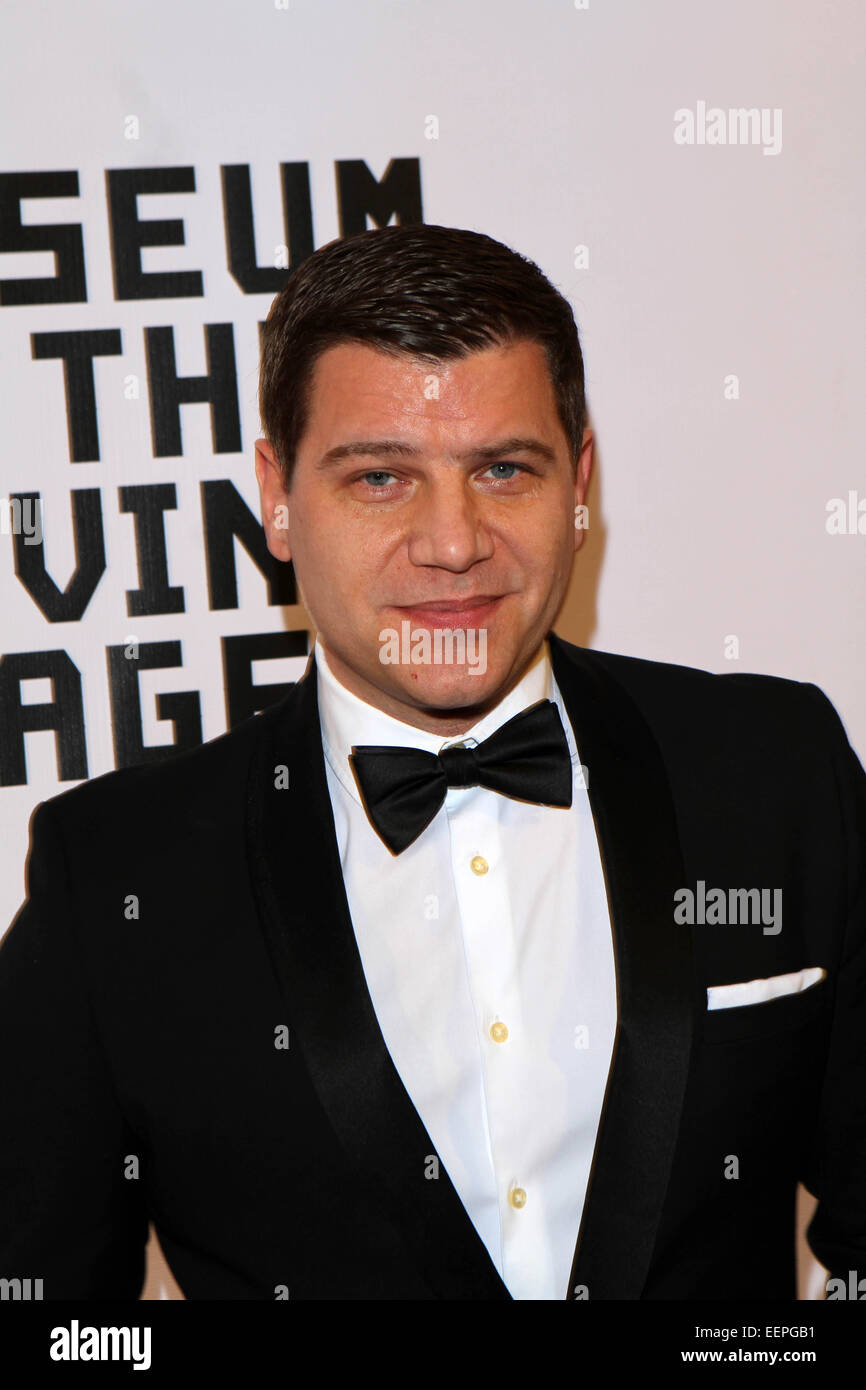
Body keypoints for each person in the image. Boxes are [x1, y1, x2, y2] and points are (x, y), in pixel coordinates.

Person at [1, 223, 863, 1301]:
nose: (453, 541)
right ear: (276, 494)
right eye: (379, 479)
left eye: (504, 468)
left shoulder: (773, 771)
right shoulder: (115, 877)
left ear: (580, 480)